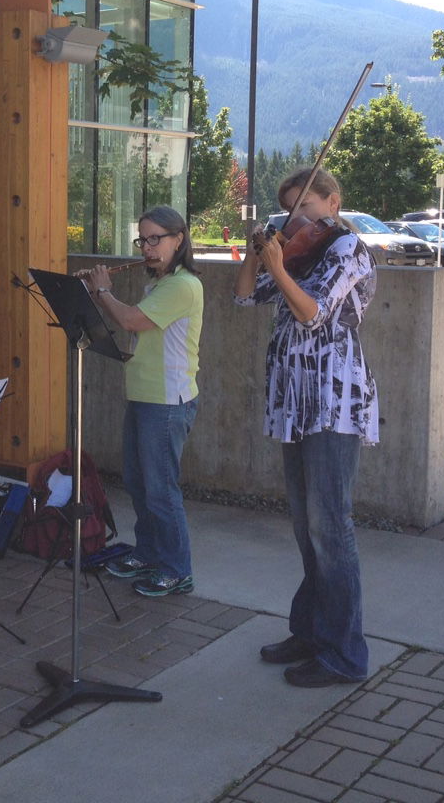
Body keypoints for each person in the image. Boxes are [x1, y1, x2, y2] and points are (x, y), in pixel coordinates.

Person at [233, 167, 379, 688]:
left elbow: (313, 314)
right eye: (290, 211)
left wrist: (280, 263)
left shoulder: (348, 251)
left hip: (333, 403)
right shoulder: (301, 250)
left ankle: (344, 654)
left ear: (333, 201)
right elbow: (247, 297)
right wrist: (259, 256)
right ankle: (311, 630)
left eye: (307, 209)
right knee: (305, 525)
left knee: (331, 527)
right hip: (296, 403)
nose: (298, 221)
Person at [80, 205, 203, 598]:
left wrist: (101, 292)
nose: (147, 248)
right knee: (138, 482)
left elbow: (130, 320)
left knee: (161, 488)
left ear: (178, 240)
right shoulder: (159, 285)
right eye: (143, 239)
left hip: (167, 401)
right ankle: (149, 553)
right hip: (144, 395)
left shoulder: (183, 285)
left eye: (156, 239)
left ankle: (176, 569)